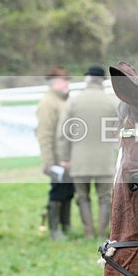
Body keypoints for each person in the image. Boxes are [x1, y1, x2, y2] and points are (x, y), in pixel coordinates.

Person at [58, 65, 119, 239]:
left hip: (79, 160)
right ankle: (102, 233)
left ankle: (89, 232)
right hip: (105, 160)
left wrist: (64, 157)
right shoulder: (112, 102)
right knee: (105, 198)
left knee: (83, 198)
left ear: (86, 79)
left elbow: (63, 133)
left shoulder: (73, 102)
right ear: (102, 81)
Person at [35, 67, 75, 240]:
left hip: (67, 157)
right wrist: (50, 162)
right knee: (57, 192)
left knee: (68, 190)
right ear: (55, 83)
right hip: (57, 159)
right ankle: (54, 229)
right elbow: (45, 134)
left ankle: (65, 224)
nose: (67, 83)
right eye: (64, 80)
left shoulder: (63, 100)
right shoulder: (48, 103)